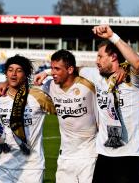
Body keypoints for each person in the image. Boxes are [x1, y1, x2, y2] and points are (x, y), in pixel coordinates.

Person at [81, 25, 139, 183]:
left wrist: (112, 36)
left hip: (129, 156)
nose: (96, 61)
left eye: (100, 56)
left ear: (113, 57)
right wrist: (47, 72)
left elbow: (137, 63)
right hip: (104, 155)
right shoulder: (96, 76)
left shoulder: (132, 79)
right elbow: (72, 69)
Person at [0, 55, 56, 183]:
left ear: (26, 74)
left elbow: (62, 114)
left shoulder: (38, 96)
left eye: (19, 70)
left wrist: (48, 72)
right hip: (4, 165)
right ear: (5, 73)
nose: (13, 74)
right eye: (10, 70)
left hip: (31, 168)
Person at [33, 49, 98, 183]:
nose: (53, 73)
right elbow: (22, 86)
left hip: (90, 154)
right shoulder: (49, 86)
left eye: (57, 69)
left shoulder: (89, 83)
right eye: (52, 68)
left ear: (70, 69)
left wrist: (47, 72)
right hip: (65, 156)